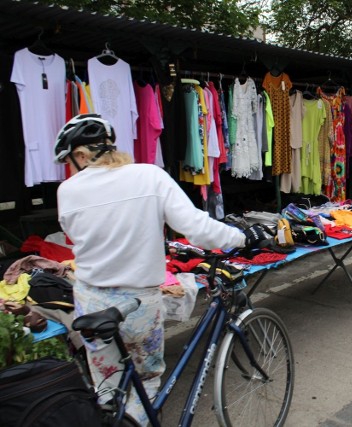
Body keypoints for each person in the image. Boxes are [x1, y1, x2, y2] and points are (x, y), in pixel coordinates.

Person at [54, 114, 270, 425]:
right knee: (146, 380)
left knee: (107, 386)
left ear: (80, 155)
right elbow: (197, 229)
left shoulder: (67, 191)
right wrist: (242, 236)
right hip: (139, 303)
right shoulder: (149, 177)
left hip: (91, 301)